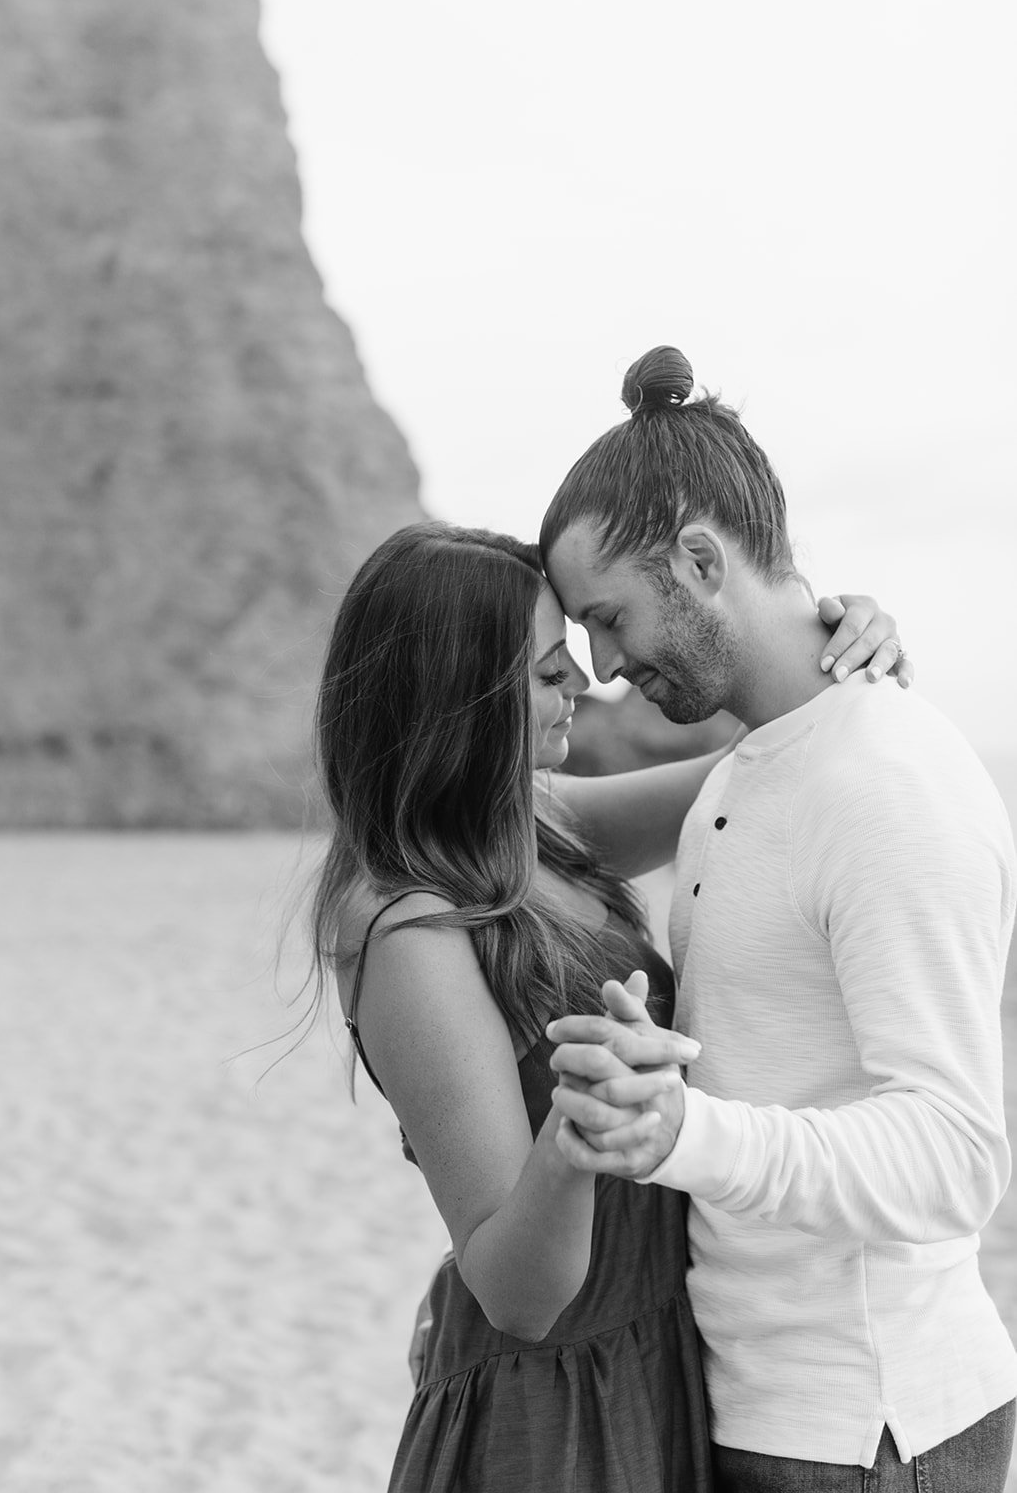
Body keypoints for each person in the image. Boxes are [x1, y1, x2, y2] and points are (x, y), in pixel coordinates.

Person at [306, 517, 910, 1492]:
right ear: (458, 696)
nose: (582, 684)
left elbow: (756, 765)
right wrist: (576, 1130)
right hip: (549, 1417)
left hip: (660, 1351)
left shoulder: (528, 824)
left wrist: (836, 651)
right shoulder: (405, 931)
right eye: (548, 670)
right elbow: (515, 1293)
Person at [541, 345, 1017, 1492]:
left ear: (700, 560)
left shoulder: (884, 781)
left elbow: (954, 1155)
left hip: (874, 1431)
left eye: (607, 618)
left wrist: (682, 1134)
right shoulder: (744, 771)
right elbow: (516, 818)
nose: (599, 667)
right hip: (769, 1412)